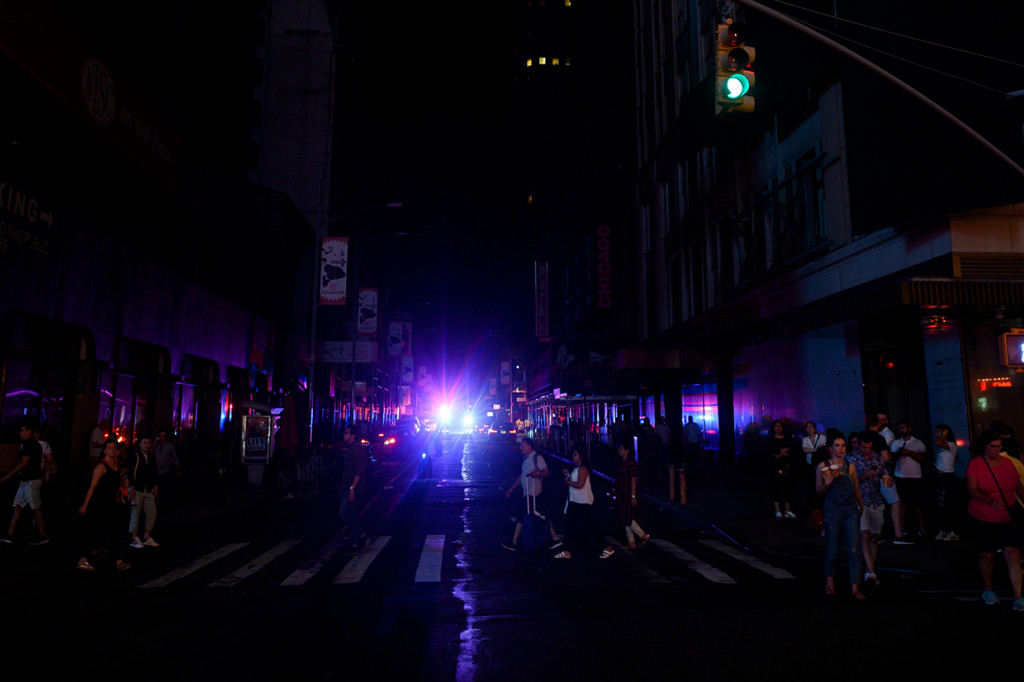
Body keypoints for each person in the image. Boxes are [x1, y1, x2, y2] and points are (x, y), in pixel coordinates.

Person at [966, 430, 1024, 610]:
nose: (996, 450)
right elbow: (972, 489)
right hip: (984, 516)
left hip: (1007, 515)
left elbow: (1017, 486)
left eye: (999, 446)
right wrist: (989, 500)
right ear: (985, 446)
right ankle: (988, 588)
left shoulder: (1007, 463)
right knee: (988, 555)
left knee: (1013, 554)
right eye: (993, 446)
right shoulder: (976, 464)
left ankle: (1018, 596)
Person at [816, 433, 865, 599]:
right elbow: (818, 490)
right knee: (833, 548)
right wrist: (827, 484)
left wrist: (861, 504)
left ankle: (855, 586)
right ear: (831, 448)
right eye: (837, 445)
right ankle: (830, 580)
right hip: (833, 509)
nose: (840, 449)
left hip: (850, 508)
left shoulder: (850, 467)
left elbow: (856, 487)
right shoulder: (823, 466)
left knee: (854, 548)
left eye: (843, 445)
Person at [77, 439, 130, 572]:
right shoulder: (101, 466)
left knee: (114, 532)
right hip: (99, 503)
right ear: (105, 451)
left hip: (111, 504)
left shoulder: (116, 463)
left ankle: (117, 561)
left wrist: (124, 481)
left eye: (114, 448)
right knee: (94, 531)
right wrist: (85, 505)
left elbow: (117, 479)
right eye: (109, 448)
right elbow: (92, 487)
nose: (112, 450)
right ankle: (83, 559)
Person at [503, 438, 561, 551]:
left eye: (523, 446)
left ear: (529, 446)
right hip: (528, 493)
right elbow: (522, 476)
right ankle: (552, 537)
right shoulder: (525, 459)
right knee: (541, 514)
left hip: (535, 493)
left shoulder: (537, 458)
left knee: (523, 514)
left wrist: (537, 473)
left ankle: (515, 540)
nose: (521, 448)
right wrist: (511, 489)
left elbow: (547, 473)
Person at [556, 443, 610, 559]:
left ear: (581, 456)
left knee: (589, 526)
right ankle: (568, 550)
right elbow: (576, 481)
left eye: (575, 455)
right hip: (575, 501)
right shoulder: (577, 468)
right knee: (571, 525)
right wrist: (568, 475)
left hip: (583, 502)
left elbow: (580, 484)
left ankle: (606, 546)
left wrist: (568, 482)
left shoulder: (583, 469)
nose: (573, 457)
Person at [847, 431, 887, 586]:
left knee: (874, 537)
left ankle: (870, 567)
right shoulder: (851, 459)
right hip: (860, 500)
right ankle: (870, 572)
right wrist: (863, 476)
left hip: (875, 499)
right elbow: (847, 481)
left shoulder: (876, 458)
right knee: (864, 534)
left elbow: (883, 474)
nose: (866, 450)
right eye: (864, 447)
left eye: (869, 447)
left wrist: (886, 480)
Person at [1, 421, 49, 545]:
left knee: (35, 508)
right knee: (18, 506)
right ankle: (10, 534)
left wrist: (9, 475)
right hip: (28, 480)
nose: (20, 432)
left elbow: (24, 462)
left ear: (29, 431)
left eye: (22, 430)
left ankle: (43, 535)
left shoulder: (28, 445)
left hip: (30, 480)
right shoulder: (35, 445)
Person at [891, 419, 928, 538]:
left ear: (909, 428)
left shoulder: (918, 443)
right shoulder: (896, 443)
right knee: (901, 503)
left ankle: (921, 527)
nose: (901, 430)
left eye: (903, 428)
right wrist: (899, 453)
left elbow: (922, 458)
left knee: (918, 503)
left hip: (915, 476)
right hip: (900, 476)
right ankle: (900, 527)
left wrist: (909, 452)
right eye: (899, 428)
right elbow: (891, 458)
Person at [126, 435, 160, 549]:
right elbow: (130, 472)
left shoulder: (151, 456)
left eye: (149, 443)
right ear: (140, 444)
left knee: (151, 512)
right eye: (144, 443)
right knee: (136, 512)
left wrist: (155, 486)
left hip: (148, 488)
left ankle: (146, 536)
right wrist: (131, 487)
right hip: (137, 488)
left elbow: (154, 472)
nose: (147, 445)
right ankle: (134, 537)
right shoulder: (135, 456)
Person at [614, 442, 650, 548]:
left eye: (621, 449)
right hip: (622, 493)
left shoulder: (630, 464)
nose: (619, 451)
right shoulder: (622, 463)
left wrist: (633, 496)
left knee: (627, 517)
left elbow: (633, 480)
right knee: (624, 517)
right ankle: (631, 542)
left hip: (627, 493)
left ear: (627, 451)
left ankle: (642, 535)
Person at [338, 425, 367, 550]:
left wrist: (352, 488)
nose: (344, 435)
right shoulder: (350, 448)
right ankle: (357, 537)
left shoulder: (356, 448)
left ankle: (358, 535)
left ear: (353, 435)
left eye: (346, 433)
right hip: (348, 485)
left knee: (345, 512)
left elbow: (358, 471)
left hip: (353, 486)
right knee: (350, 513)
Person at [933, 424, 959, 541]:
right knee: (941, 505)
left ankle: (952, 530)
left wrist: (943, 435)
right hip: (940, 477)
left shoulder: (951, 445)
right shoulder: (943, 447)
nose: (936, 434)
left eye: (939, 432)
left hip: (948, 478)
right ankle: (944, 529)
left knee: (946, 504)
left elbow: (937, 442)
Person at [767, 420, 796, 519]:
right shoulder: (770, 439)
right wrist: (780, 453)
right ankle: (777, 510)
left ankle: (787, 510)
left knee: (788, 488)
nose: (778, 428)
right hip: (775, 467)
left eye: (780, 426)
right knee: (776, 488)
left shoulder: (787, 439)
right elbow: (770, 452)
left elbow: (792, 450)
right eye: (776, 426)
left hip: (787, 466)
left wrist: (784, 452)